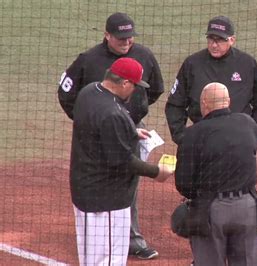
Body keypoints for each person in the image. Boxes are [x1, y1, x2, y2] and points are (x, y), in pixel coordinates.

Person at [57, 12, 164, 259]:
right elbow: (66, 94)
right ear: (107, 35)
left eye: (129, 38)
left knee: (127, 183)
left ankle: (132, 239)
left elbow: (156, 89)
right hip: (99, 129)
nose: (126, 42)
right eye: (120, 38)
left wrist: (128, 121)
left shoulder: (144, 56)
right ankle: (110, 242)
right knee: (118, 174)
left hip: (130, 125)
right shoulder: (88, 59)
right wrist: (93, 122)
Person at [69, 57, 174, 266]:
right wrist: (157, 172)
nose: (135, 90)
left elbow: (95, 128)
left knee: (91, 257)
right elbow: (124, 161)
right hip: (106, 199)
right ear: (124, 83)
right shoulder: (112, 113)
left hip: (85, 188)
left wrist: (130, 131)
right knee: (107, 260)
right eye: (135, 85)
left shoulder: (89, 92)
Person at [174, 82, 257, 266]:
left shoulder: (192, 134)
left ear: (204, 104)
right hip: (246, 207)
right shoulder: (248, 123)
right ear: (228, 101)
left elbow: (183, 183)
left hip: (211, 209)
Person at [165, 15, 257, 145]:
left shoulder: (247, 64)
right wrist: (181, 137)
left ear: (232, 40)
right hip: (202, 139)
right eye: (211, 39)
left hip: (239, 139)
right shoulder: (192, 64)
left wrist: (255, 134)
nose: (214, 45)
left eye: (220, 40)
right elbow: (175, 104)